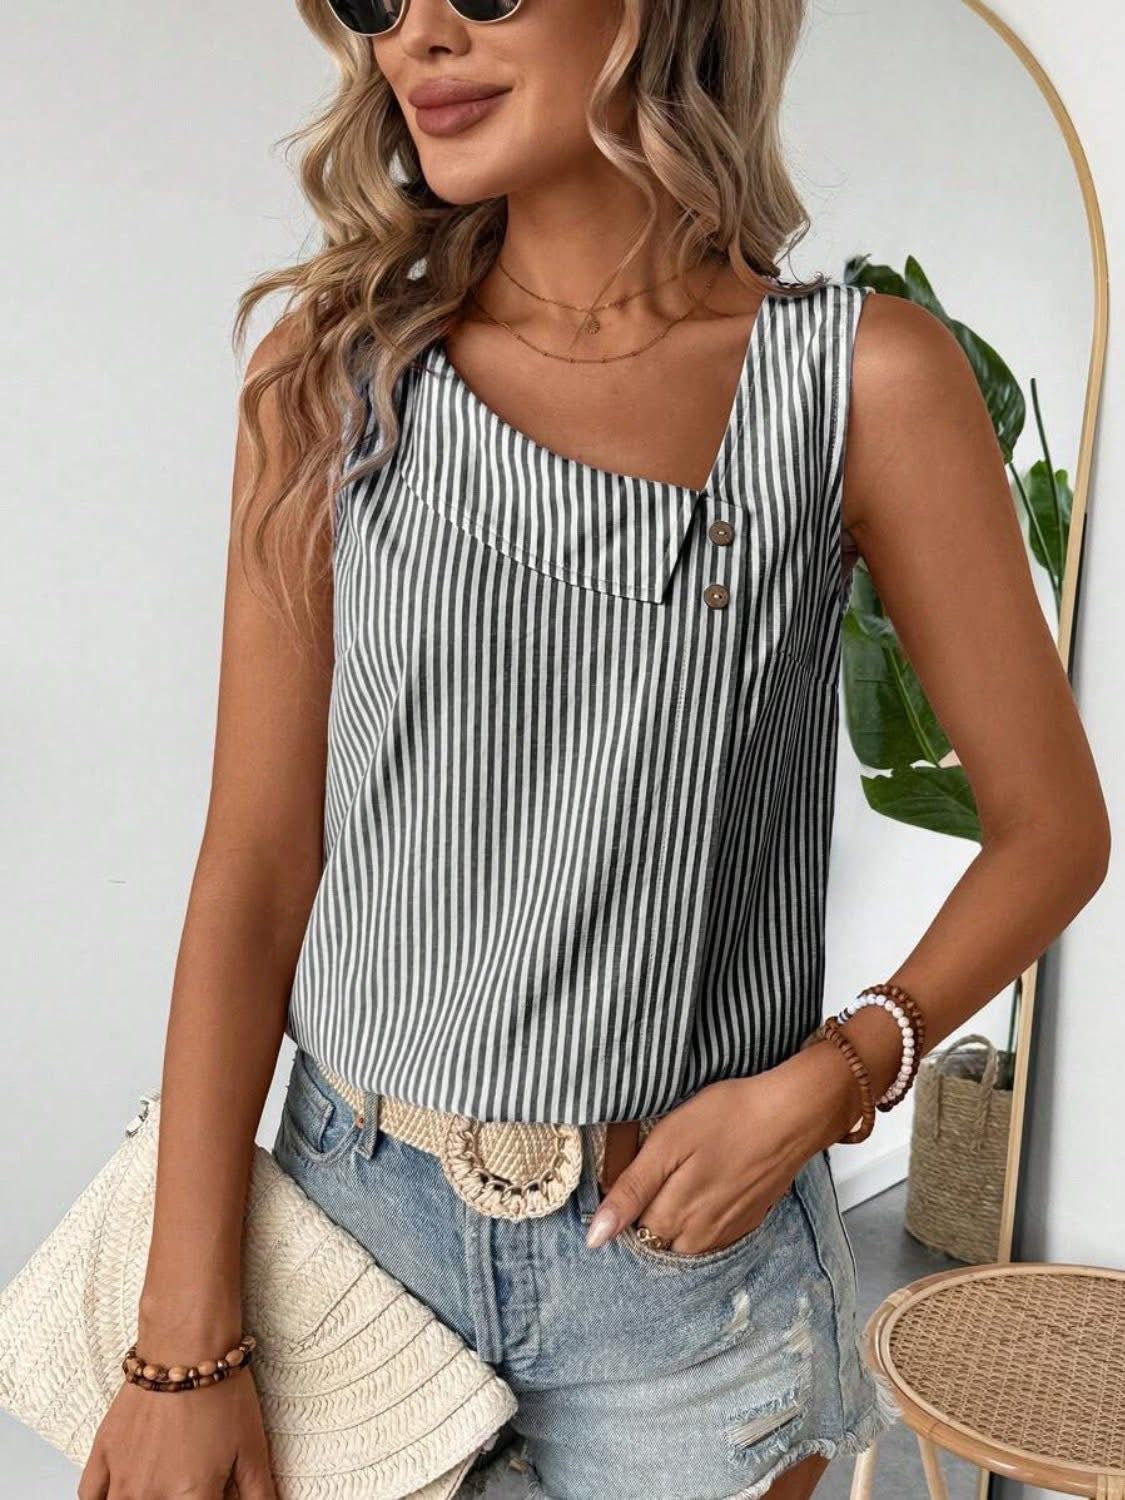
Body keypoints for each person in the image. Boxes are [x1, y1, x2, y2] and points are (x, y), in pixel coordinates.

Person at [78, 1, 1110, 1497]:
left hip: (687, 1284)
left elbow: (1053, 831)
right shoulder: (330, 378)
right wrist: (181, 1338)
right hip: (348, 1235)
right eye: (378, 0)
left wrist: (834, 1076)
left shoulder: (858, 383)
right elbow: (255, 863)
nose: (419, 37)